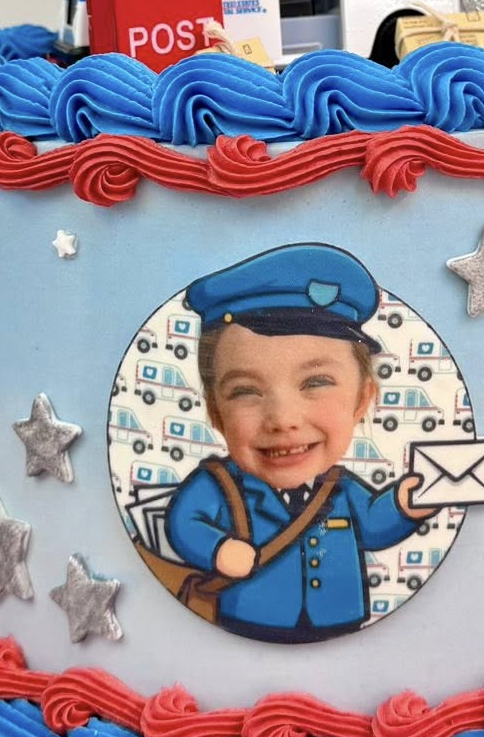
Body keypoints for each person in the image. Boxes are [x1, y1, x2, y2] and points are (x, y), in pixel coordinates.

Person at [162, 244, 436, 643]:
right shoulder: (218, 486)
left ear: (362, 400)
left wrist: (402, 505)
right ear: (216, 412)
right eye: (245, 391)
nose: (283, 420)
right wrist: (217, 549)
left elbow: (374, 526)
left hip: (345, 627)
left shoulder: (341, 488)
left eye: (315, 383)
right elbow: (183, 523)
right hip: (245, 626)